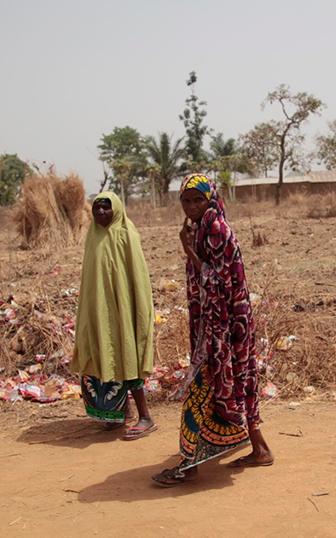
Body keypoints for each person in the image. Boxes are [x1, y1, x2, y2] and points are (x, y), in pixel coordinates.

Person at [151, 174, 273, 487]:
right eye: (186, 200)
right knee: (238, 381)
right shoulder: (203, 227)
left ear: (211, 199)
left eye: (198, 199)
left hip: (225, 325)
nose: (191, 206)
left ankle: (188, 465)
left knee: (201, 387)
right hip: (223, 321)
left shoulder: (215, 229)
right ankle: (260, 449)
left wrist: (189, 251)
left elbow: (218, 281)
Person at [71, 192, 157, 440]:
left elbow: (137, 278)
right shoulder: (93, 237)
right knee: (103, 354)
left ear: (116, 209)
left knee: (127, 356)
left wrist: (134, 310)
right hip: (100, 310)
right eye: (96, 209)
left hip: (123, 309)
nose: (100, 213)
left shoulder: (126, 233)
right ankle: (120, 411)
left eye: (105, 208)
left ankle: (146, 417)